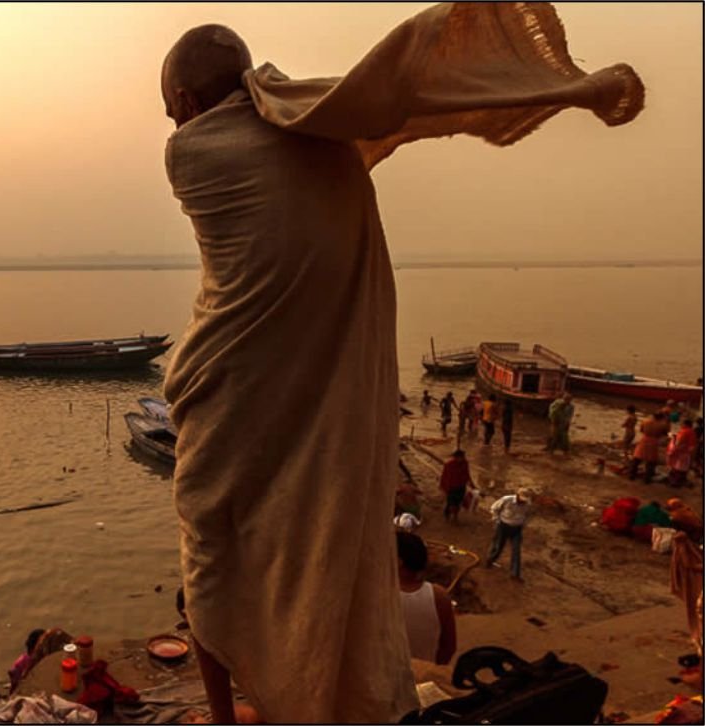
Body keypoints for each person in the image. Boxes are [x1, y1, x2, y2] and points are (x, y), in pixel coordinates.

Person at [158, 8, 641, 722]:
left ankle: (230, 715)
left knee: (209, 560)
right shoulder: (317, 138)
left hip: (228, 396)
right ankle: (309, 684)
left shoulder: (193, 153)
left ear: (192, 106)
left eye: (173, 110)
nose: (174, 126)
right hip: (288, 391)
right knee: (310, 546)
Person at [396, 531, 457, 665]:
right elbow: (449, 647)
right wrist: (429, 669)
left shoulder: (381, 595)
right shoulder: (439, 596)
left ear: (399, 561)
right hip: (423, 680)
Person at [487, 490, 530, 580]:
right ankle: (490, 560)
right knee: (498, 546)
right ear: (518, 495)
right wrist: (497, 520)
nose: (523, 501)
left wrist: (523, 524)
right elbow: (494, 508)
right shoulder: (507, 500)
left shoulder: (527, 504)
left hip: (517, 529)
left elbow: (527, 515)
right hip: (503, 526)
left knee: (516, 550)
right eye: (522, 499)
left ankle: (515, 573)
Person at [630, 412, 671, 483]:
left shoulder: (645, 421)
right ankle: (647, 479)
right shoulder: (662, 425)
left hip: (644, 439)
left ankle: (632, 475)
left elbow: (641, 430)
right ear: (661, 418)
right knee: (651, 461)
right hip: (654, 441)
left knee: (637, 458)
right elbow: (666, 432)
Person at [439, 450, 472, 524]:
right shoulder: (449, 464)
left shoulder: (465, 463)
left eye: (463, 457)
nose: (462, 458)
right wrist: (443, 487)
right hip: (451, 487)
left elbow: (467, 473)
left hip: (461, 486)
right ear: (456, 457)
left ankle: (455, 516)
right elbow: (444, 476)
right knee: (451, 503)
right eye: (460, 457)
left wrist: (471, 484)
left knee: (458, 502)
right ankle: (450, 515)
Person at [667, 418, 697, 486]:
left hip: (681, 452)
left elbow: (679, 442)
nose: (681, 425)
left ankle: (675, 482)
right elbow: (692, 445)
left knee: (677, 467)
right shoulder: (692, 432)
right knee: (683, 468)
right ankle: (680, 480)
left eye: (682, 424)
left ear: (685, 424)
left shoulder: (684, 432)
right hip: (687, 453)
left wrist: (673, 448)